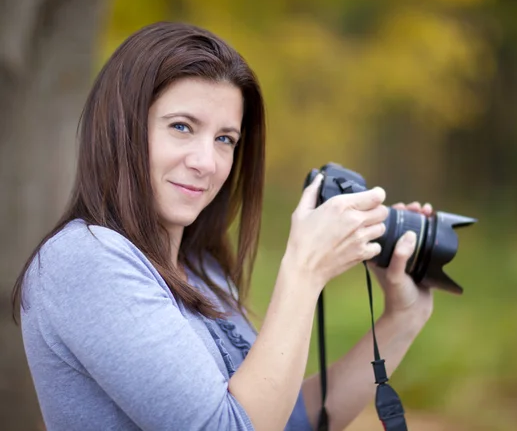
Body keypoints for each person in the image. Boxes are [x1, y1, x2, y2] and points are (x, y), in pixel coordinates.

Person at [12, 21, 434, 431]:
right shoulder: (86, 260)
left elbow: (286, 422)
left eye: (225, 139)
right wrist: (304, 271)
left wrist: (403, 318)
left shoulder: (200, 270)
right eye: (182, 127)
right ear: (120, 129)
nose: (206, 163)